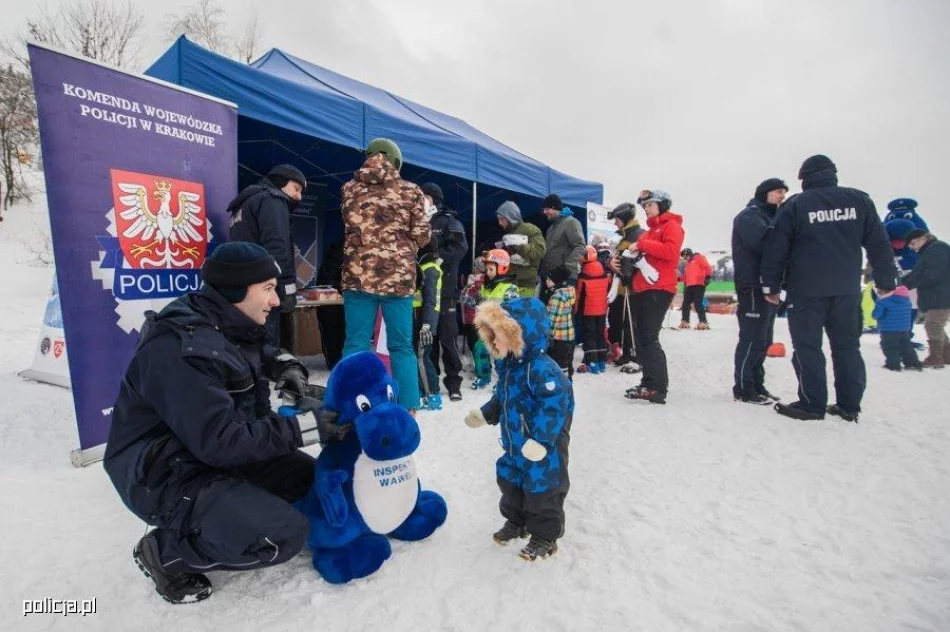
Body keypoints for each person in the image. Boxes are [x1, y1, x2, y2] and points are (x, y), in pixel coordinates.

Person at [103, 242, 334, 604]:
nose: (276, 301)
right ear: (235, 290)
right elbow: (221, 443)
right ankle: (164, 552)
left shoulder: (223, 319)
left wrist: (286, 366)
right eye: (268, 289)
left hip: (209, 450)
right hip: (163, 471)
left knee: (313, 482)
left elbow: (259, 350)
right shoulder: (181, 350)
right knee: (280, 536)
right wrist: (310, 426)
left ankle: (235, 505)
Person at [760, 155, 898, 422]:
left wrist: (770, 286)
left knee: (808, 347)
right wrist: (886, 280)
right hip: (846, 290)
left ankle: (812, 404)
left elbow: (776, 248)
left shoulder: (797, 205)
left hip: (805, 291)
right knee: (847, 347)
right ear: (833, 174)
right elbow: (879, 244)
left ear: (804, 179)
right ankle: (849, 406)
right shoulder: (859, 201)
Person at [465, 297, 574, 561]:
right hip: (514, 443)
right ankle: (517, 521)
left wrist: (539, 440)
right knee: (510, 482)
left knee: (543, 489)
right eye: (491, 334)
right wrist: (486, 413)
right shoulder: (510, 366)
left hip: (541, 448)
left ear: (519, 334)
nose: (493, 340)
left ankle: (545, 536)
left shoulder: (544, 370)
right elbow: (503, 397)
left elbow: (556, 406)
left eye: (498, 334)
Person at [340, 138, 431, 410]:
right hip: (398, 278)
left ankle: (348, 405)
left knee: (355, 343)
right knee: (402, 347)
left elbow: (351, 225)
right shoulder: (411, 190)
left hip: (357, 276)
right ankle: (408, 409)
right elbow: (422, 235)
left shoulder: (348, 189)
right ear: (396, 159)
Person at [226, 164, 306, 344]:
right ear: (281, 182)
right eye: (297, 188)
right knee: (266, 343)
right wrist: (287, 290)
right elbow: (278, 248)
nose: (299, 196)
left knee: (247, 341)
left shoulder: (244, 204)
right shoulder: (272, 200)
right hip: (264, 286)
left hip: (241, 284)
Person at [623, 190, 684, 404]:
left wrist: (640, 245)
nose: (646, 208)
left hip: (660, 288)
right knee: (642, 339)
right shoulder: (649, 231)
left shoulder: (672, 227)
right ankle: (648, 383)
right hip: (643, 288)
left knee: (649, 337)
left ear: (662, 204)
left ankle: (657, 387)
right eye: (645, 205)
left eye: (650, 204)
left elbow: (670, 252)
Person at [731, 178, 787, 404]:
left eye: (784, 192)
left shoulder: (772, 216)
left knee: (764, 339)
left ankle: (757, 383)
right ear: (765, 193)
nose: (782, 195)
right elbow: (766, 244)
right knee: (752, 337)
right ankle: (744, 388)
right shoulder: (749, 216)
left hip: (770, 285)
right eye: (778, 191)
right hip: (752, 285)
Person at [422, 182, 468, 401]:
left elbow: (461, 247)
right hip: (425, 291)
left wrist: (439, 256)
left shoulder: (449, 221)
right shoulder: (419, 220)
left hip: (446, 290)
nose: (421, 200)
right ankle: (431, 382)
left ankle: (453, 383)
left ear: (434, 199)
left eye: (425, 196)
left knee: (448, 339)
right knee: (427, 338)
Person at [901, 228, 950, 368]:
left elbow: (927, 273)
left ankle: (936, 357)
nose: (911, 247)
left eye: (913, 243)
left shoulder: (937, 249)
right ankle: (946, 355)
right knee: (935, 325)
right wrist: (900, 283)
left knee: (933, 325)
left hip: (941, 295)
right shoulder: (930, 251)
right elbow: (918, 273)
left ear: (924, 238)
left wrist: (904, 285)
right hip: (937, 295)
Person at [471, 249, 520, 389]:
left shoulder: (510, 288)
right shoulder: (486, 287)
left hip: (501, 330)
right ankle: (483, 376)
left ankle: (502, 381)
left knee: (501, 356)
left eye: (491, 269)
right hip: (487, 328)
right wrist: (473, 296)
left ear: (502, 268)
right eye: (486, 269)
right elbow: (479, 303)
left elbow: (514, 310)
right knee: (479, 349)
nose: (488, 272)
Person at [605, 202, 644, 371]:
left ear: (625, 218)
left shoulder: (639, 235)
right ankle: (625, 352)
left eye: (617, 220)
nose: (615, 223)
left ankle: (635, 355)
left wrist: (625, 266)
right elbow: (616, 259)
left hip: (633, 287)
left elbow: (640, 261)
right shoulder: (624, 237)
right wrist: (610, 262)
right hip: (620, 286)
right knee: (618, 320)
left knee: (631, 322)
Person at [414, 236, 444, 410]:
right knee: (420, 357)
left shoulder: (430, 268)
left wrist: (426, 324)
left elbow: (430, 299)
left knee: (422, 358)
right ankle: (423, 391)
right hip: (420, 319)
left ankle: (432, 395)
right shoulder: (424, 266)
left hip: (425, 322)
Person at [539, 194, 586, 298]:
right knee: (546, 312)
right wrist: (543, 273)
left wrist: (564, 271)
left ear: (554, 208)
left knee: (562, 312)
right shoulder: (551, 228)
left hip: (565, 278)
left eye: (547, 209)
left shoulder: (571, 222)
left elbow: (580, 247)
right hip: (550, 279)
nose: (544, 212)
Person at [495, 200, 546, 297]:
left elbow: (540, 251)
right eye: (499, 220)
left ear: (511, 217)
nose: (500, 223)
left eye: (502, 219)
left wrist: (517, 248)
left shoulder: (531, 230)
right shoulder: (508, 234)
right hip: (510, 283)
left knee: (523, 311)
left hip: (526, 285)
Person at [576, 246, 611, 374]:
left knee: (589, 336)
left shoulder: (583, 275)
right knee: (600, 334)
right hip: (602, 309)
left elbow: (579, 296)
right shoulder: (603, 272)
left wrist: (576, 311)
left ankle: (592, 363)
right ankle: (602, 362)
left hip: (588, 311)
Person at [871, 286, 922, 371]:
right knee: (906, 346)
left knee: (890, 346)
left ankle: (893, 365)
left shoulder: (884, 301)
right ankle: (912, 363)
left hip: (889, 329)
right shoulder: (907, 301)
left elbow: (876, 315)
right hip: (904, 329)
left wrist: (878, 302)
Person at [315, 241, 345, 369]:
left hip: (344, 297)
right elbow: (327, 277)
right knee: (332, 328)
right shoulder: (339, 249)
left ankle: (338, 363)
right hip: (332, 298)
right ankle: (335, 363)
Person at [545, 265, 576, 380]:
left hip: (559, 339)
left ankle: (562, 388)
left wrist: (547, 335)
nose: (546, 281)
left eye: (549, 279)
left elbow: (552, 320)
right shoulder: (567, 293)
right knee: (566, 365)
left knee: (559, 368)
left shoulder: (557, 297)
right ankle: (566, 383)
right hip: (568, 337)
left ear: (557, 281)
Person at [678, 248, 713, 329]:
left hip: (699, 285)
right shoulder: (688, 264)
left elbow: (707, 267)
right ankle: (685, 321)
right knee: (685, 304)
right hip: (689, 286)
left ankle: (703, 321)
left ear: (688, 254)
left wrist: (708, 277)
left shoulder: (698, 257)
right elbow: (686, 277)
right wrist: (678, 279)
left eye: (685, 256)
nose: (685, 258)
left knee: (698, 304)